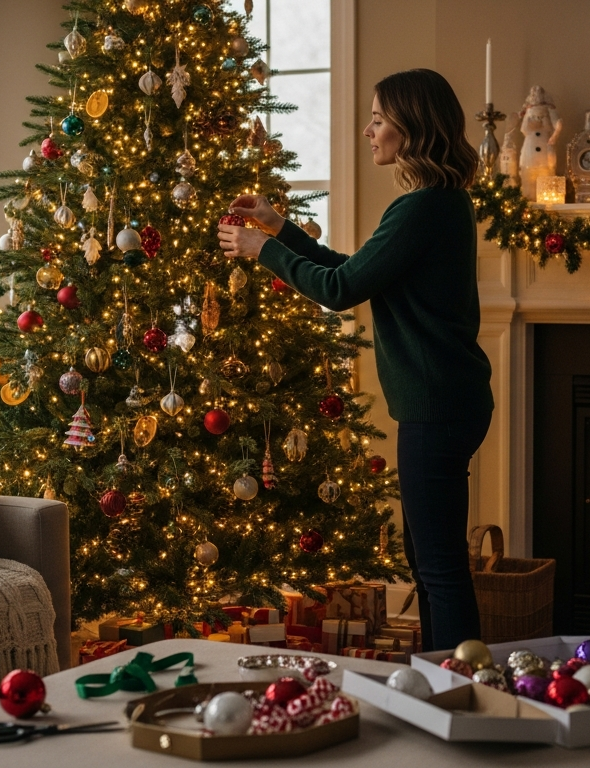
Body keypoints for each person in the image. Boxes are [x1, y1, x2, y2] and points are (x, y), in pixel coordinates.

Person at [217, 68, 494, 653]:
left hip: (436, 407)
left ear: (410, 127)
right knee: (430, 560)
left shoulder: (422, 207)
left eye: (377, 118)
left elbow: (339, 289)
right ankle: (448, 681)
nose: (368, 131)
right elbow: (356, 270)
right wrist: (279, 226)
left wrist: (261, 248)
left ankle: (463, 687)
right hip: (447, 401)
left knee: (439, 569)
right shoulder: (438, 203)